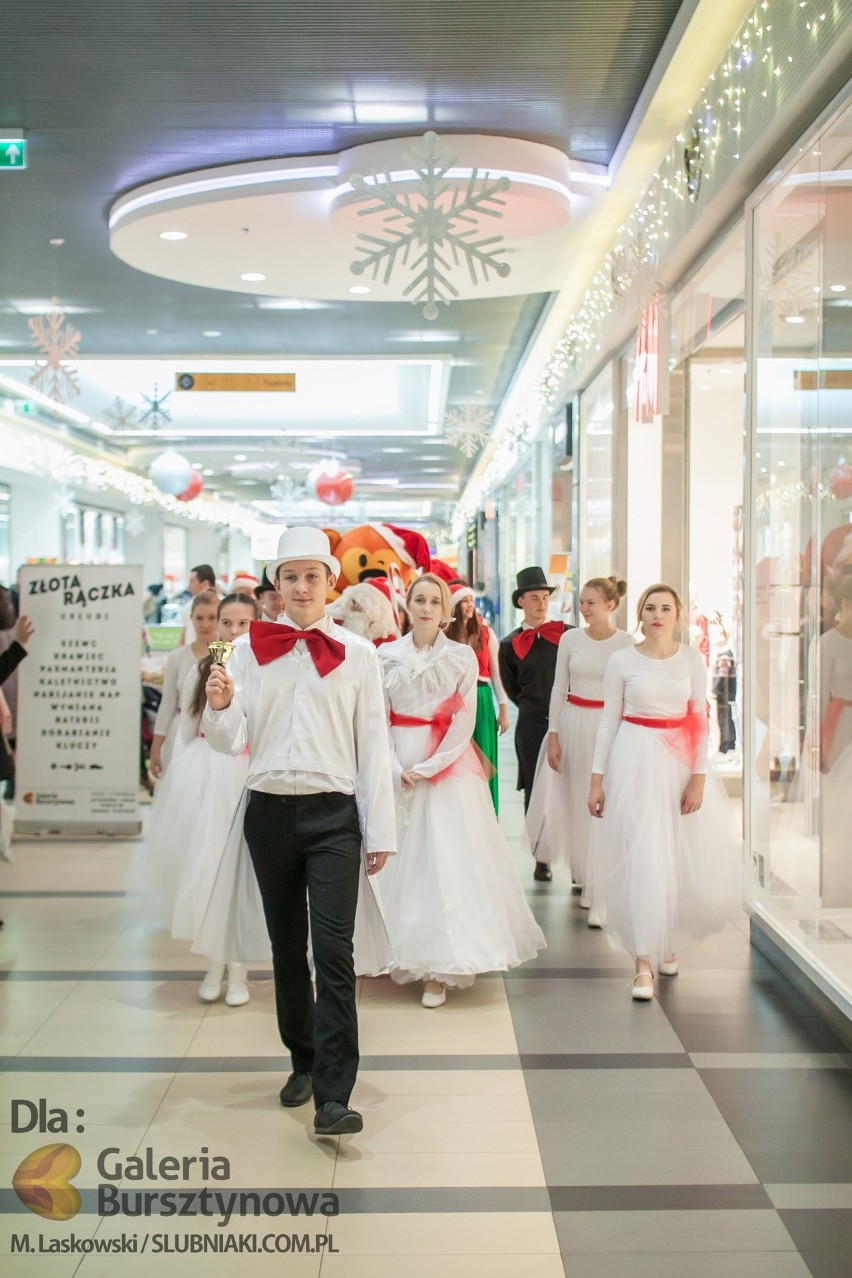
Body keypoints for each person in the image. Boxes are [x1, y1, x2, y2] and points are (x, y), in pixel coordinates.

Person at [203, 527, 396, 1138]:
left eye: (313, 576)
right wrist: (220, 704)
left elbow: (374, 745)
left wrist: (380, 828)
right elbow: (229, 740)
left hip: (333, 814)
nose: (302, 587)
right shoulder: (248, 653)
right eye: (290, 577)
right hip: (268, 811)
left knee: (334, 952)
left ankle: (335, 1095)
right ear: (276, 588)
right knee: (287, 948)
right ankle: (303, 1060)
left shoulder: (359, 656)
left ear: (330, 583)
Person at [378, 574, 546, 1008]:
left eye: (435, 600)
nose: (427, 607)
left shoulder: (461, 657)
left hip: (445, 766)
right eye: (419, 599)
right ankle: (389, 948)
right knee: (394, 857)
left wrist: (431, 765)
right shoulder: (384, 654)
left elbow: (465, 720)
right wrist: (396, 766)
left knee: (442, 858)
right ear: (407, 605)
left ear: (446, 610)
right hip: (395, 757)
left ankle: (438, 966)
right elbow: (375, 717)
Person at [587, 584, 742, 1001]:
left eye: (666, 608)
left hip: (677, 763)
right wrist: (597, 778)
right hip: (634, 758)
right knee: (644, 856)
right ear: (640, 613)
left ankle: (666, 939)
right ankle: (642, 962)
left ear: (677, 615)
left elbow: (700, 719)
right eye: (650, 608)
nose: (658, 615)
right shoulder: (621, 660)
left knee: (675, 854)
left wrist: (700, 775)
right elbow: (608, 721)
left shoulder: (691, 659)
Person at [143, 593, 261, 1006]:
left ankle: (241, 969)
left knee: (247, 873)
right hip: (209, 780)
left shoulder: (267, 669)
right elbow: (188, 729)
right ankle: (216, 963)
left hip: (252, 777)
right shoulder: (200, 669)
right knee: (211, 870)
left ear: (256, 624)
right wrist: (178, 782)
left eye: (242, 624)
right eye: (226, 624)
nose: (232, 631)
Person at [525, 577, 633, 920]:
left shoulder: (626, 643)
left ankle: (600, 890)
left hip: (608, 727)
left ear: (610, 606)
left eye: (591, 603)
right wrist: (554, 734)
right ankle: (587, 879)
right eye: (582, 602)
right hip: (573, 723)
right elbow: (559, 689)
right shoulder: (570, 639)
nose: (584, 609)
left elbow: (628, 694)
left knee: (605, 806)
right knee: (576, 805)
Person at [498, 566, 572, 880]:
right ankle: (541, 858)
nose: (541, 604)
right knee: (534, 787)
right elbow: (511, 687)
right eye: (534, 598)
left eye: (545, 597)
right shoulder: (509, 644)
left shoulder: (568, 635)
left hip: (568, 721)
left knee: (571, 785)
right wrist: (532, 708)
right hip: (530, 723)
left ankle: (577, 859)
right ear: (521, 602)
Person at [445, 581, 509, 812]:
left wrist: (503, 708)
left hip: (481, 699)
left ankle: (487, 812)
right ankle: (460, 811)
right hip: (453, 703)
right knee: (456, 757)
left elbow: (496, 673)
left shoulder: (485, 633)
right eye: (464, 600)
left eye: (471, 600)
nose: (470, 605)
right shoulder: (444, 635)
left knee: (484, 756)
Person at [149, 591, 219, 782]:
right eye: (199, 618)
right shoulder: (177, 656)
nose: (205, 624)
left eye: (212, 618)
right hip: (180, 733)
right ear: (191, 620)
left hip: (215, 735)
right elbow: (167, 704)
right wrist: (156, 746)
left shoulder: (229, 654)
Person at [179, 564, 218, 644]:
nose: (189, 586)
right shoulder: (189, 605)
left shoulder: (223, 604)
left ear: (205, 584)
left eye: (192, 581)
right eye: (199, 618)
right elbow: (184, 634)